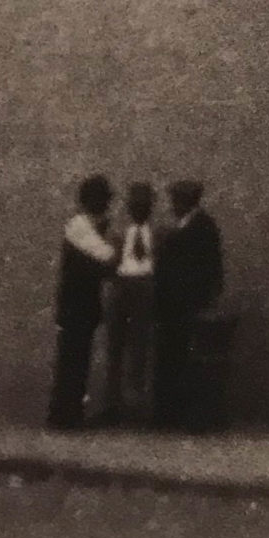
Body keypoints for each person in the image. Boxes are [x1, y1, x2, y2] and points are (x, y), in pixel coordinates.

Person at [46, 175, 116, 431]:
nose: (107, 204)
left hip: (78, 309)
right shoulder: (80, 227)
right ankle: (64, 416)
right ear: (91, 200)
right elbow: (105, 258)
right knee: (73, 362)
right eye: (104, 199)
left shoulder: (85, 226)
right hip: (77, 309)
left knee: (75, 361)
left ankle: (68, 413)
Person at [152, 179, 223, 430]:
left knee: (180, 357)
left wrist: (205, 299)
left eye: (177, 200)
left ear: (187, 201)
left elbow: (210, 267)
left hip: (185, 303)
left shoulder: (202, 226)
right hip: (172, 303)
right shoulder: (183, 226)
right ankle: (168, 414)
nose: (174, 205)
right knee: (171, 356)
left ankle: (176, 415)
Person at [97, 181, 157, 425]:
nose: (138, 209)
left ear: (150, 208)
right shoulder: (119, 235)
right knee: (115, 349)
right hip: (121, 293)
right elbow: (107, 264)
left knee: (140, 351)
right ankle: (112, 405)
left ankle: (137, 409)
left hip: (145, 294)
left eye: (143, 205)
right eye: (134, 205)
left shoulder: (158, 235)